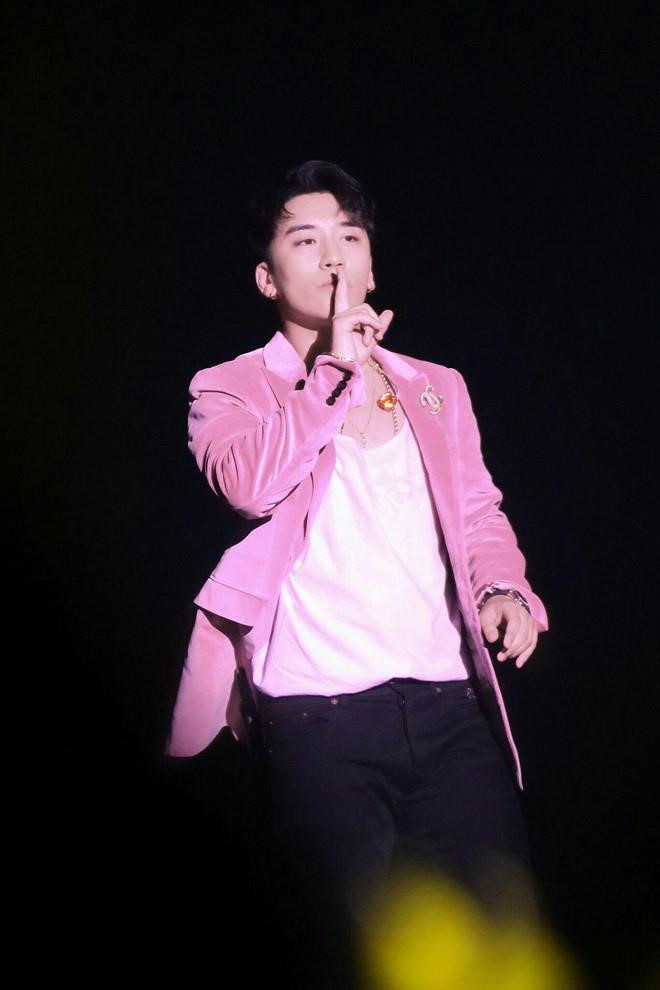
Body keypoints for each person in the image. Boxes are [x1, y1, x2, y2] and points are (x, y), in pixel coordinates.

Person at [167, 160, 548, 981]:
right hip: (320, 723)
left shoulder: (437, 387)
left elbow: (477, 513)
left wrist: (504, 588)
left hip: (451, 712)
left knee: (500, 950)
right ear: (268, 277)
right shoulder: (228, 388)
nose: (333, 255)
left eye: (350, 236)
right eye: (306, 240)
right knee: (357, 959)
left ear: (372, 266)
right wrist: (332, 372)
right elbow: (248, 484)